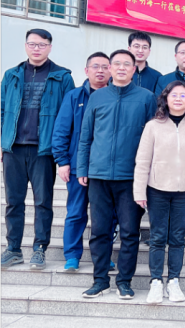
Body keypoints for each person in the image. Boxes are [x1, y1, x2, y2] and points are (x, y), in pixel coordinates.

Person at [77, 49, 157, 299]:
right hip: (99, 175)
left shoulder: (147, 98)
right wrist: (83, 168)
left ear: (134, 69)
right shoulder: (98, 97)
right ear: (110, 68)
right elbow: (85, 136)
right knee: (99, 231)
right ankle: (100, 280)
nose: (121, 68)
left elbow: (153, 139)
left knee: (130, 232)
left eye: (127, 64)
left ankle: (124, 281)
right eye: (117, 64)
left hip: (131, 177)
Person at [1, 29, 75, 270]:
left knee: (43, 201)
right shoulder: (11, 75)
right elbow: (2, 110)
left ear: (50, 47)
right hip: (13, 148)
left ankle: (39, 249)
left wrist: (62, 153)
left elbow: (68, 117)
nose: (36, 48)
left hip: (44, 150)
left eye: (42, 44)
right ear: (25, 46)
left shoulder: (62, 77)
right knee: (13, 201)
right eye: (32, 44)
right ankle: (13, 249)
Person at [133, 81, 185, 304]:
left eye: (183, 95)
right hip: (157, 189)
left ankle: (173, 280)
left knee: (177, 238)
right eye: (174, 95)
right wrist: (139, 190)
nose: (178, 99)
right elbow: (143, 160)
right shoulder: (153, 126)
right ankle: (156, 281)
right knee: (157, 237)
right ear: (165, 98)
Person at [51, 52, 113, 272]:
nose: (100, 71)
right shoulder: (74, 96)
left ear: (111, 70)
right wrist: (62, 161)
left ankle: (103, 257)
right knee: (76, 212)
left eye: (105, 67)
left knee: (105, 215)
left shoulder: (116, 96)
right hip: (78, 166)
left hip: (105, 168)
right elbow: (61, 130)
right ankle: (72, 255)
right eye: (95, 66)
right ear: (86, 70)